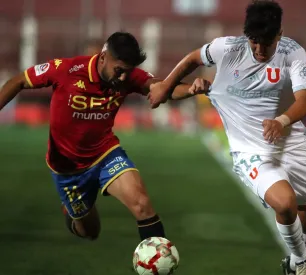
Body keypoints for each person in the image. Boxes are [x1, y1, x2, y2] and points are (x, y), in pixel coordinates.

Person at [148, 1, 306, 274]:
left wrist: (282, 120)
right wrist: (166, 85)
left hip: (291, 143)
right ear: (246, 36)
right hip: (250, 152)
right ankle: (301, 262)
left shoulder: (292, 52)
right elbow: (193, 58)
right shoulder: (227, 49)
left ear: (279, 34)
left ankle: (294, 260)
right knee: (285, 204)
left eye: (266, 42)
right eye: (254, 42)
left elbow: (305, 101)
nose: (259, 49)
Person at [0, 32, 208, 243]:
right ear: (102, 57)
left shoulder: (128, 77)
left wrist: (193, 89)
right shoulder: (65, 69)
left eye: (127, 72)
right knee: (90, 232)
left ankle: (159, 259)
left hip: (105, 154)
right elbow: (18, 81)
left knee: (142, 204)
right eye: (119, 71)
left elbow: (163, 89)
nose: (123, 78)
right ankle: (71, 210)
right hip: (68, 168)